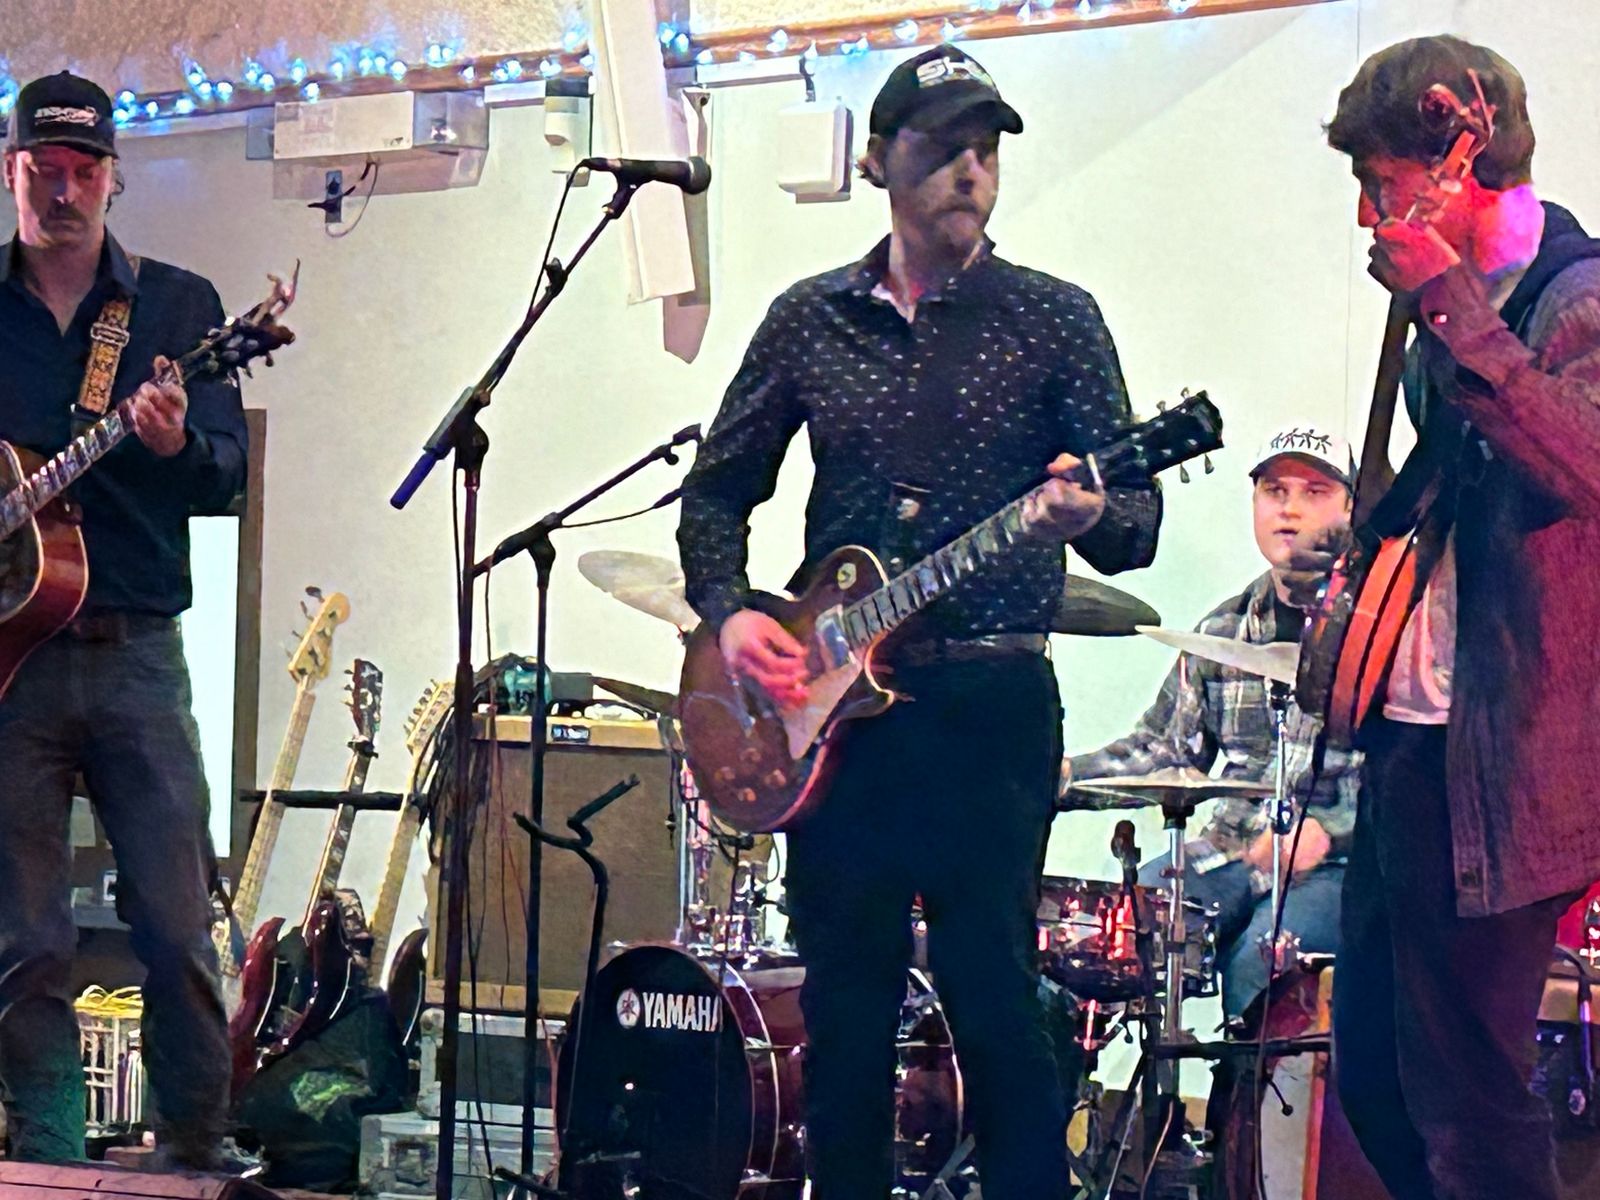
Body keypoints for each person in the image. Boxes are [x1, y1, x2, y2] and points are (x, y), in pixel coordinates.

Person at [678, 43, 1162, 1198]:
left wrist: (1089, 510)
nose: (970, 170)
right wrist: (729, 614)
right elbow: (715, 492)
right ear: (880, 162)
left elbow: (1134, 525)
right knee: (844, 1004)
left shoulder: (1053, 319)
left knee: (994, 997)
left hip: (987, 706)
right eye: (945, 148)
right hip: (834, 722)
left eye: (986, 150)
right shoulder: (809, 320)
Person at [1309, 35, 1600, 1199]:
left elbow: (1580, 463)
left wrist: (1444, 299)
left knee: (1473, 1103)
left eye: (1381, 183)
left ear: (1458, 161)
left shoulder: (1576, 296)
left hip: (1510, 757)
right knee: (1377, 1083)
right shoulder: (1451, 312)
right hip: (1415, 743)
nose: (1369, 213)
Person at [0, 71, 246, 1169]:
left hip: (138, 655)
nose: (64, 192)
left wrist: (173, 443)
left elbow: (226, 475)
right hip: (14, 670)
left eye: (84, 172)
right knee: (23, 939)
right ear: (11, 172)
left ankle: (195, 1149)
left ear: (114, 178)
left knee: (177, 923)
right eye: (43, 171)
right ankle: (46, 1157)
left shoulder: (178, 311)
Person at [1064, 423, 1362, 1021]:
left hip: (1340, 867)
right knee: (1119, 928)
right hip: (1230, 849)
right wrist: (1060, 775)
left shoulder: (1386, 628)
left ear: (1352, 509)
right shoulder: (1223, 630)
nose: (1290, 510)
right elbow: (1161, 750)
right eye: (1275, 491)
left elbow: (1424, 775)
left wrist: (1334, 830)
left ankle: (1248, 1087)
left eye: (1315, 492)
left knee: (1264, 959)